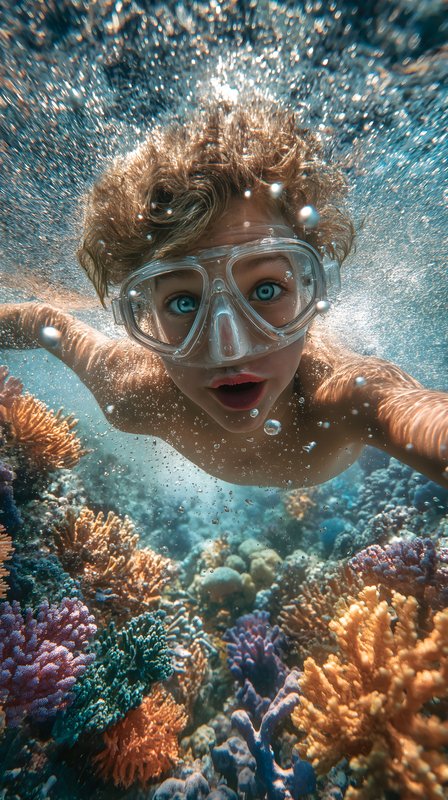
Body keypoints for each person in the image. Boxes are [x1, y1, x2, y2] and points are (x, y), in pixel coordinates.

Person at [1, 101, 447, 488]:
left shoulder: (347, 396)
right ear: (144, 314)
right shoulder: (133, 394)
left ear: (313, 290)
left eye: (266, 290)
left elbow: (413, 413)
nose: (228, 350)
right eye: (183, 302)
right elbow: (45, 322)